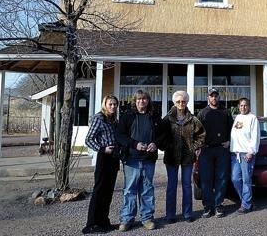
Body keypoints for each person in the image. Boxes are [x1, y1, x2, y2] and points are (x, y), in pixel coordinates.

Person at [116, 90, 162, 231]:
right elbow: (120, 136)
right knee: (129, 190)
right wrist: (134, 144)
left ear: (148, 101)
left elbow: (162, 135)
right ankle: (127, 219)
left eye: (144, 99)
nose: (141, 102)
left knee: (147, 189)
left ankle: (147, 218)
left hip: (148, 160)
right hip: (131, 160)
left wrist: (155, 143)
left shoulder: (154, 117)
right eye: (139, 99)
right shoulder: (127, 117)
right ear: (135, 102)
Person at [159, 90, 205, 223]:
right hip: (171, 157)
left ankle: (187, 213)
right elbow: (160, 136)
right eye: (178, 101)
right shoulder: (167, 119)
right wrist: (167, 147)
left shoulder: (193, 119)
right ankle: (170, 215)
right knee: (171, 186)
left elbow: (201, 135)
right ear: (174, 102)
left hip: (188, 157)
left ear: (187, 102)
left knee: (186, 185)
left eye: (183, 101)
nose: (181, 104)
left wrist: (194, 147)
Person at [82, 95, 121, 234]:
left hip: (114, 158)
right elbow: (88, 139)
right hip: (104, 157)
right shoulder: (99, 118)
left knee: (108, 191)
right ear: (105, 104)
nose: (113, 106)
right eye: (110, 104)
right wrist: (103, 148)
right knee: (99, 190)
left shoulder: (114, 120)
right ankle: (91, 224)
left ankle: (104, 221)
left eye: (115, 104)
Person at [197, 87, 233, 218]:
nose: (214, 98)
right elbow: (197, 132)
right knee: (206, 179)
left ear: (219, 97)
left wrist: (229, 141)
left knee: (221, 179)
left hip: (222, 150)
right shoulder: (202, 113)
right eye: (211, 96)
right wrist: (197, 147)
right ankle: (208, 207)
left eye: (216, 96)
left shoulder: (226, 112)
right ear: (208, 98)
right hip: (206, 150)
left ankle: (218, 206)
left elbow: (233, 130)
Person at [230, 97, 260, 214]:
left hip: (246, 154)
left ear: (249, 106)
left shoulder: (253, 118)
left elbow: (255, 136)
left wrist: (251, 151)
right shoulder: (237, 117)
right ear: (238, 107)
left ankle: (246, 205)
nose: (243, 107)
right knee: (235, 178)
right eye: (241, 105)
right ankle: (246, 201)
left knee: (246, 180)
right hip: (235, 154)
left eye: (245, 105)